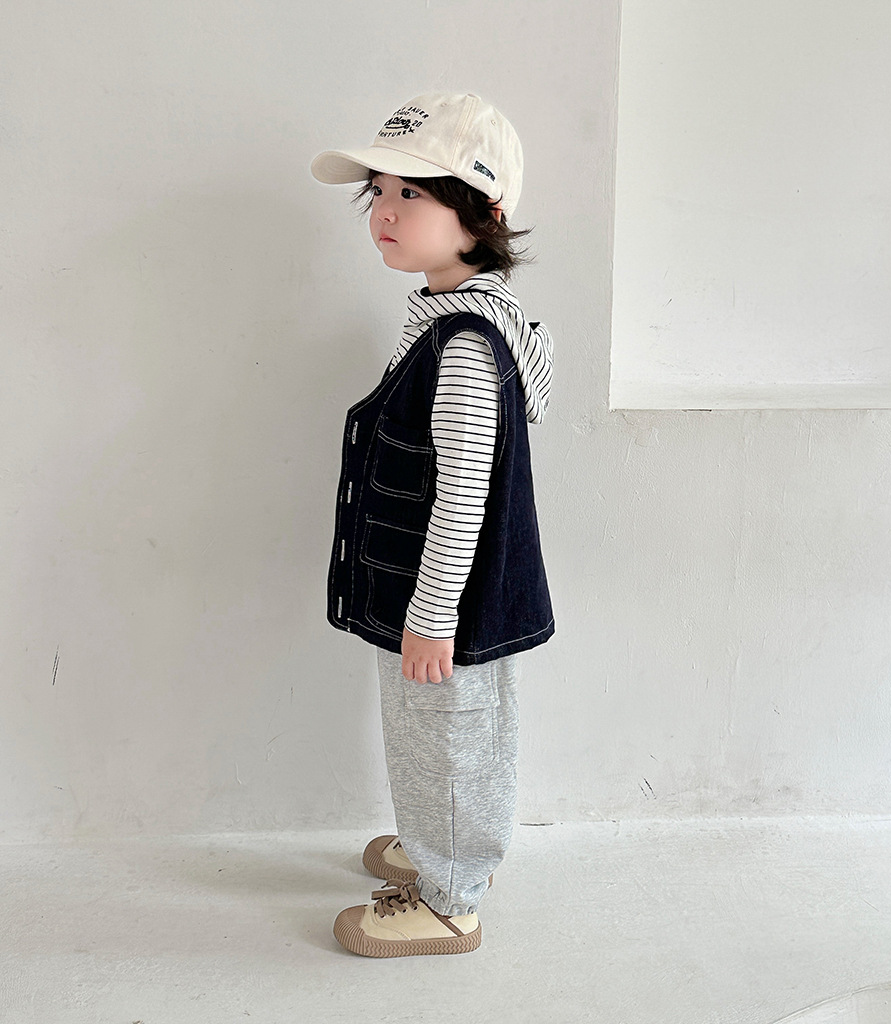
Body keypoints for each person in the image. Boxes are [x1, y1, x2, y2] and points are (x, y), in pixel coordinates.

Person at [310, 92, 555, 957]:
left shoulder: (463, 347)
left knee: (450, 740)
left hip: (443, 598)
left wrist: (433, 612)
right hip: (432, 591)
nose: (384, 209)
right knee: (432, 738)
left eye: (412, 193)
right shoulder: (465, 318)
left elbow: (464, 494)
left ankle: (453, 898)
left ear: (483, 212)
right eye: (378, 191)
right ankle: (434, 841)